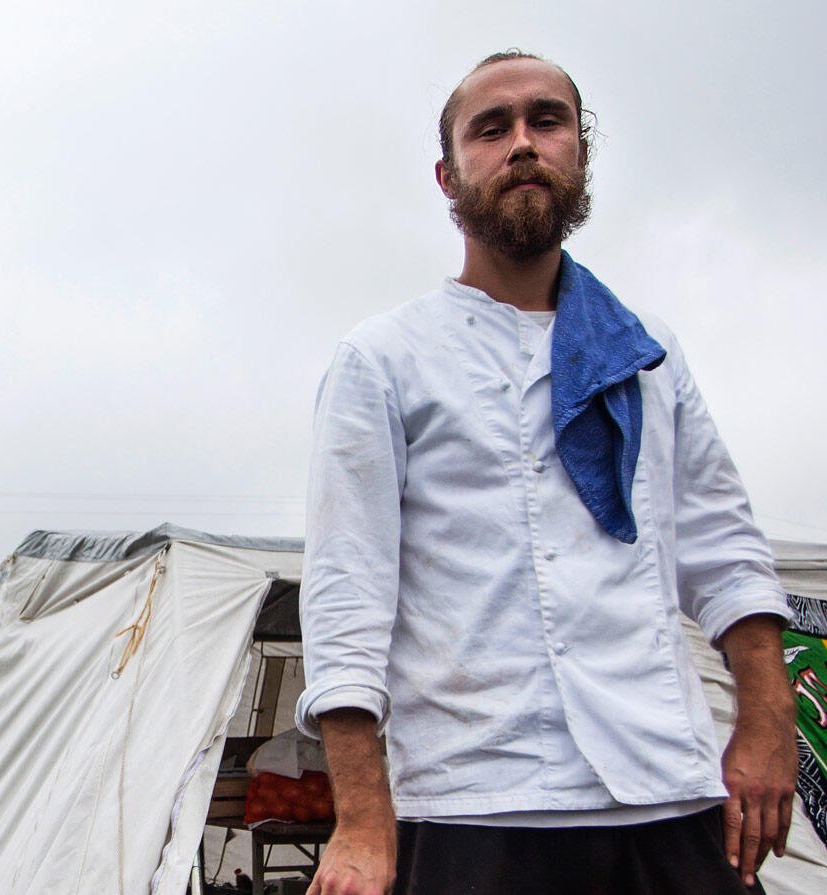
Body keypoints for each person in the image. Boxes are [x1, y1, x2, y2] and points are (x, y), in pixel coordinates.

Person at [295, 50, 797, 895]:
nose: (522, 143)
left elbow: (724, 550)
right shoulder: (383, 358)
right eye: (491, 129)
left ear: (580, 153)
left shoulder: (647, 351)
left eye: (546, 120)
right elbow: (348, 593)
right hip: (474, 801)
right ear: (449, 176)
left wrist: (768, 723)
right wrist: (363, 818)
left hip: (666, 787)